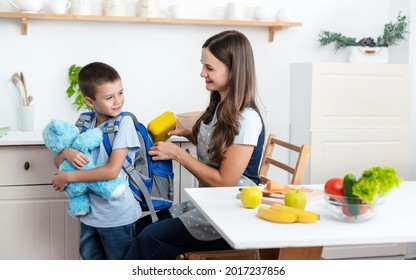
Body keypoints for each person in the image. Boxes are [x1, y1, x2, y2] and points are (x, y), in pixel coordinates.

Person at [124, 30, 265, 260]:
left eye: (210, 68)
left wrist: (179, 154)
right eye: (203, 66)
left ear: (233, 70)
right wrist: (189, 133)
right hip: (209, 204)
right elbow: (220, 150)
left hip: (231, 214)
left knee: (150, 237)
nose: (202, 73)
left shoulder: (247, 119)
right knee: (139, 228)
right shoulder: (222, 104)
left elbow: (225, 181)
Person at [52, 62, 142, 260]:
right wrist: (66, 152)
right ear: (89, 101)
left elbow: (111, 171)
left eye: (120, 93)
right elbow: (58, 160)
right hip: (90, 215)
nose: (118, 101)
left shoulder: (124, 124)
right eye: (109, 97)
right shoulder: (84, 122)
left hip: (117, 215)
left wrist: (68, 176)